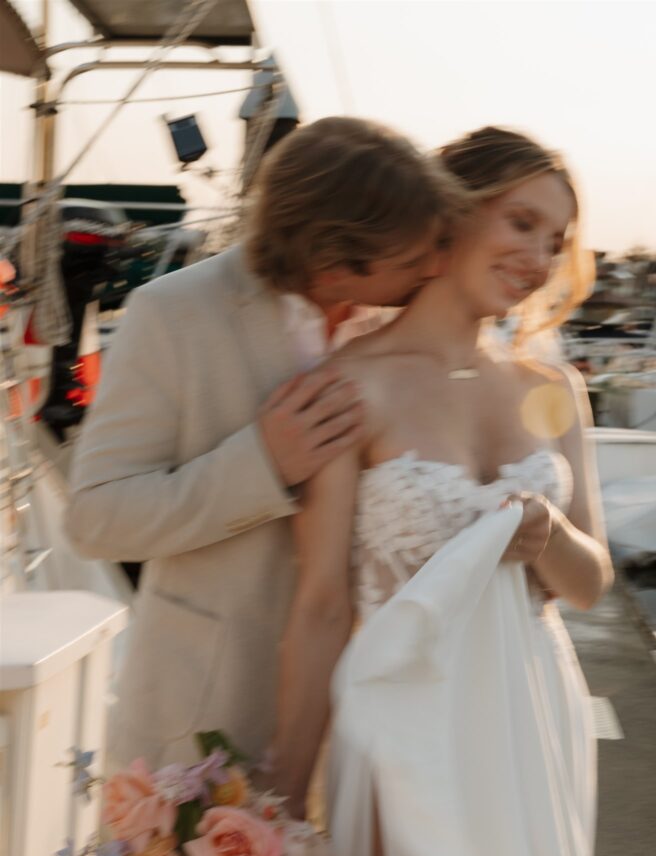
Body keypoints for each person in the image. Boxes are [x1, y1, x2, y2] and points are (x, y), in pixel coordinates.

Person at [266, 127, 618, 856]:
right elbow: (318, 608)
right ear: (452, 213)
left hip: (528, 730)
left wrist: (542, 534)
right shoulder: (350, 385)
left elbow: (590, 583)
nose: (538, 257)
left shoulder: (552, 387)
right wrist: (281, 812)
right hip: (401, 734)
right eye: (522, 222)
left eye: (555, 240)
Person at [65, 116, 458, 780]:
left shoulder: (405, 327)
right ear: (336, 265)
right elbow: (96, 517)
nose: (435, 267)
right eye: (414, 260)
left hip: (370, 732)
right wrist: (261, 467)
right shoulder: (172, 313)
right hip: (205, 725)